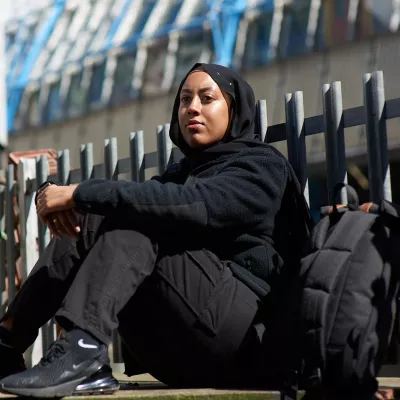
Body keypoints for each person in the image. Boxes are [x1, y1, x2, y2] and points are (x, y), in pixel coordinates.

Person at [0, 63, 309, 397]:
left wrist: (79, 193)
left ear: (234, 110)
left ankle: (83, 349)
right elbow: (144, 201)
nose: (192, 107)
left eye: (207, 98)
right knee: (99, 220)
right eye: (185, 99)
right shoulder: (182, 172)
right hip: (175, 350)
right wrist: (80, 208)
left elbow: (188, 203)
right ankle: (6, 342)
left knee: (134, 216)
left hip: (243, 342)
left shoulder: (260, 166)